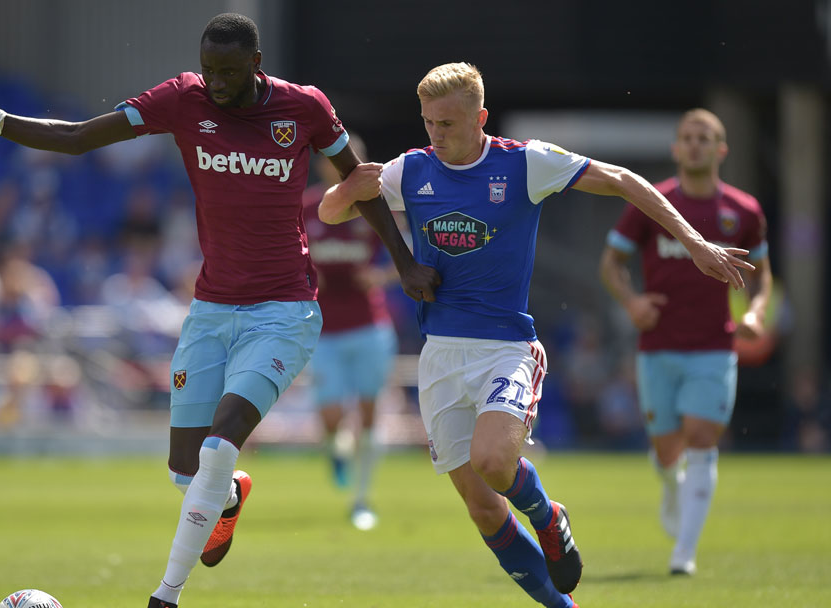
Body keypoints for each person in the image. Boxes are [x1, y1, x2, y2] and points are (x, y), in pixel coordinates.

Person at [0, 13, 437, 608]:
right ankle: (229, 497)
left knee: (219, 444)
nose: (215, 82)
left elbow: (361, 188)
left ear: (256, 66)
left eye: (229, 72)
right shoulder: (183, 98)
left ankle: (166, 596)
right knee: (187, 473)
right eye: (209, 69)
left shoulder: (305, 109)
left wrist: (404, 263)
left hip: (285, 311)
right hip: (211, 310)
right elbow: (77, 136)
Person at [320, 63, 753, 607]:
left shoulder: (525, 163)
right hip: (439, 355)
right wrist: (350, 188)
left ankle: (548, 515)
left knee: (495, 462)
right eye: (428, 122)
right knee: (481, 507)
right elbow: (330, 211)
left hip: (505, 349)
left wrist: (694, 242)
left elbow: (621, 180)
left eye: (448, 124)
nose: (435, 134)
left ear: (480, 118)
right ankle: (561, 605)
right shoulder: (409, 170)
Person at [599, 108, 772, 576]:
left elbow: (762, 275)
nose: (694, 145)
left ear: (721, 150)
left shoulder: (744, 211)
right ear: (676, 148)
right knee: (666, 451)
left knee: (701, 439)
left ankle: (684, 554)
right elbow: (611, 264)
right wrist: (632, 303)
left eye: (704, 138)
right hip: (658, 346)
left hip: (715, 346)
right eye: (687, 138)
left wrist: (755, 313)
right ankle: (671, 487)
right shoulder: (652, 204)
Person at [303, 133, 398, 530]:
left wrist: (378, 276)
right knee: (330, 416)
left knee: (369, 411)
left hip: (368, 325)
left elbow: (408, 257)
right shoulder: (306, 206)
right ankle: (336, 451)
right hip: (322, 327)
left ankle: (362, 497)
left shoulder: (374, 208)